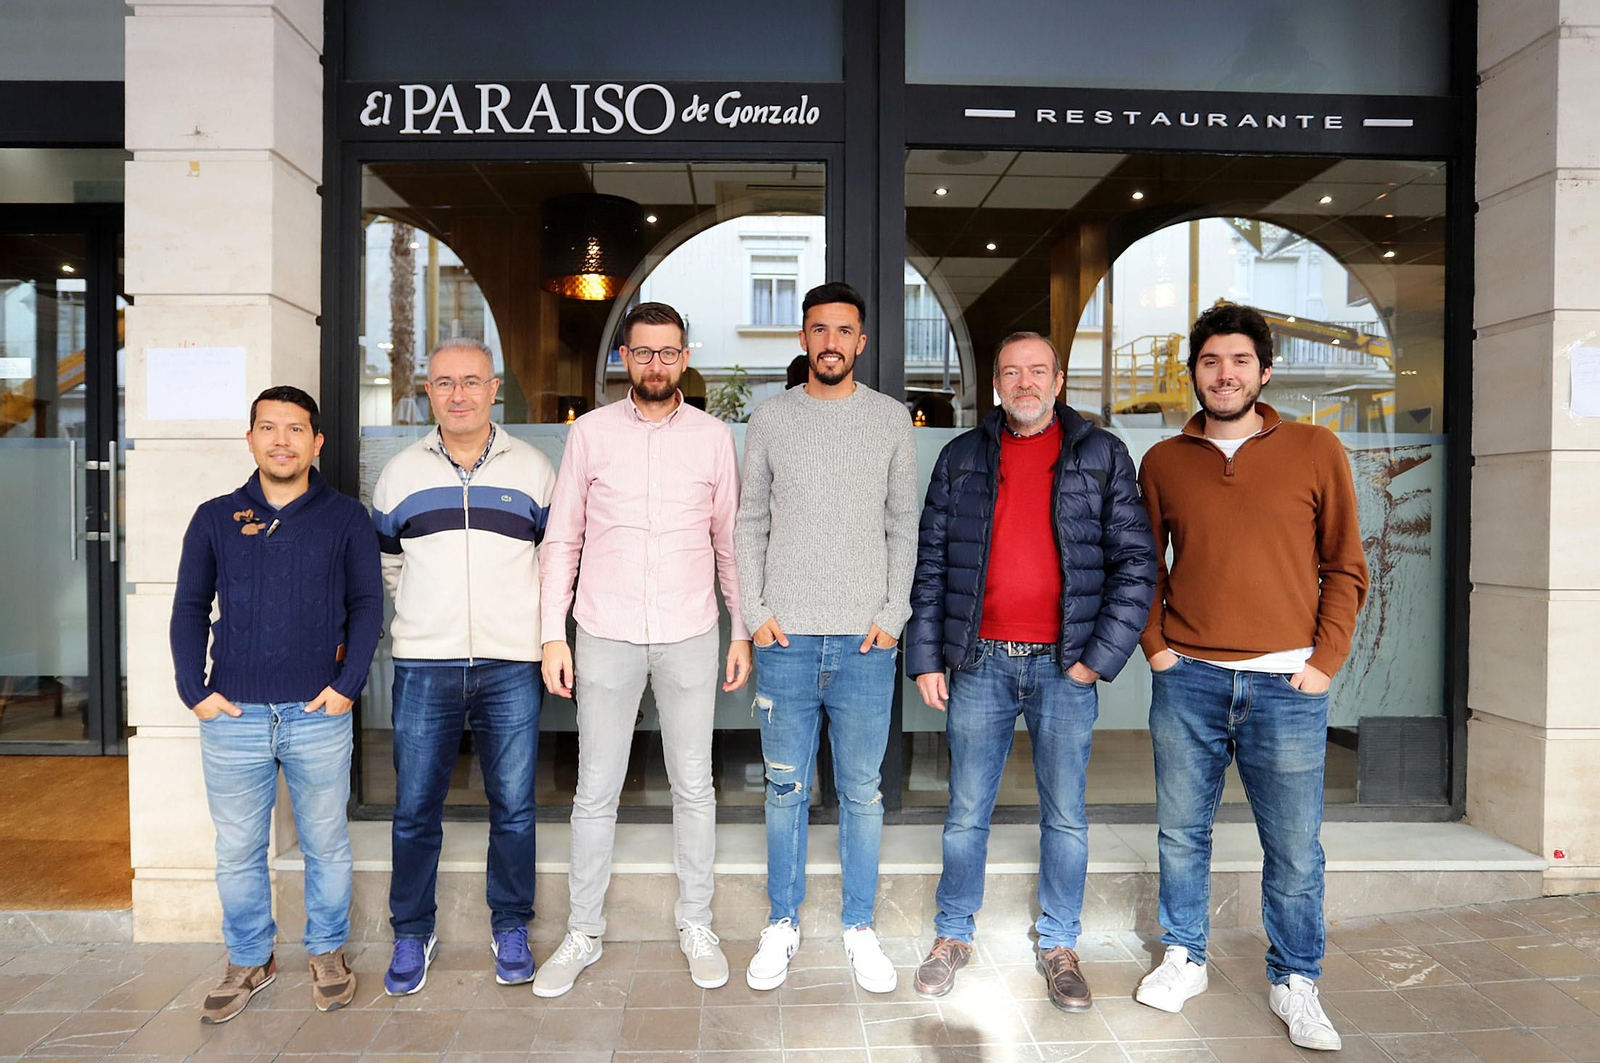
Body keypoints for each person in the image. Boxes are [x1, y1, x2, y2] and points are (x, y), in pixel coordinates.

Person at [1133, 304, 1369, 1052]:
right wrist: (1156, 648)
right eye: (1210, 361)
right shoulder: (1164, 461)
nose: (1224, 373)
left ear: (1264, 371)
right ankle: (1184, 956)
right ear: (1194, 372)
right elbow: (1142, 567)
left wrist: (1322, 663)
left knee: (1295, 847)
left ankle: (1295, 978)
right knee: (1181, 833)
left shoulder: (1314, 449)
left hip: (1286, 687)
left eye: (1239, 360)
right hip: (1189, 680)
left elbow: (1346, 565)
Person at [906, 333, 1156, 1010]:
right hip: (979, 660)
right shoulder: (961, 457)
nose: (1024, 383)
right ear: (995, 384)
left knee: (1066, 815)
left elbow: (1136, 564)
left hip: (1063, 667)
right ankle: (953, 934)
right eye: (1011, 372)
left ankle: (1060, 944)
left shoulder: (1102, 454)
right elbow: (931, 564)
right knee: (966, 811)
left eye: (1037, 371)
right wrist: (926, 657)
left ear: (1058, 379)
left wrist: (1096, 660)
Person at [533, 302, 751, 996]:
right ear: (623, 357)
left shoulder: (714, 438)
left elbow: (729, 542)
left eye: (669, 351)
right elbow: (562, 539)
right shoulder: (590, 435)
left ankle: (697, 923)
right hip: (604, 630)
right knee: (595, 790)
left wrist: (741, 629)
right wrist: (552, 634)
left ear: (685, 358)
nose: (656, 364)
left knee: (695, 786)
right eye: (644, 351)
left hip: (691, 630)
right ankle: (583, 931)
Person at [171, 385, 382, 1023]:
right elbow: (189, 607)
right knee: (238, 849)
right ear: (251, 439)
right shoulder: (215, 517)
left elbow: (367, 606)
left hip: (318, 713)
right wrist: (195, 691)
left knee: (326, 843)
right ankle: (248, 959)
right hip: (233, 716)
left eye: (295, 429)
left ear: (317, 442)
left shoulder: (346, 517)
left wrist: (347, 687)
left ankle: (327, 952)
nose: (281, 440)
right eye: (268, 428)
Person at [736, 281, 919, 994]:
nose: (831, 342)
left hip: (866, 644)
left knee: (863, 792)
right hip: (785, 639)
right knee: (784, 788)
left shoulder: (890, 419)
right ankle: (782, 921)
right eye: (820, 329)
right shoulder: (771, 418)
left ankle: (859, 926)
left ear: (861, 342)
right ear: (804, 339)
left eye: (844, 330)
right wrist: (755, 613)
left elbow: (903, 524)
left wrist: (893, 614)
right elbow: (750, 521)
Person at [371, 337, 557, 995]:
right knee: (415, 808)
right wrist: (433, 616)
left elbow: (552, 564)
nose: (459, 395)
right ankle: (411, 930)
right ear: (428, 391)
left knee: (514, 807)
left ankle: (511, 924)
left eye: (472, 381)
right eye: (445, 382)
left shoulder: (534, 469)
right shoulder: (399, 474)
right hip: (426, 663)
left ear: (494, 388)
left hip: (511, 662)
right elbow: (390, 565)